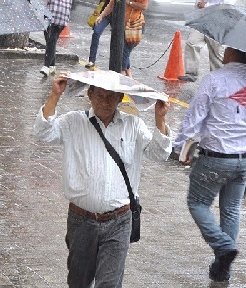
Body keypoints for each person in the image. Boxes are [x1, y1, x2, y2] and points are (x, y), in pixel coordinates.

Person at [34, 73, 172, 288]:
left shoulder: (133, 125)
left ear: (120, 99)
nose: (105, 101)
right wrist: (54, 95)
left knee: (109, 283)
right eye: (100, 95)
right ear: (90, 94)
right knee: (78, 282)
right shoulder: (73, 122)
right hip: (81, 220)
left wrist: (160, 120)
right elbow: (43, 132)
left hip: (120, 220)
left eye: (112, 96)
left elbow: (159, 153)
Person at [174, 47, 246, 282]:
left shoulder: (214, 79)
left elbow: (195, 115)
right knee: (231, 210)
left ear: (234, 51)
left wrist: (181, 146)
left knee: (197, 203)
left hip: (216, 157)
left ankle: (222, 246)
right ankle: (223, 269)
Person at [178, 0, 237, 82]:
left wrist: (207, 5)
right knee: (192, 42)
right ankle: (191, 73)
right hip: (202, 22)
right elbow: (197, 2)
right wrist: (199, 4)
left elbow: (226, 7)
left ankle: (217, 78)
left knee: (215, 51)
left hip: (217, 24)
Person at [95, 0, 147, 78]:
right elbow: (111, 6)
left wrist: (130, 2)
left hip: (135, 26)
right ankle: (128, 73)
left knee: (125, 50)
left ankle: (122, 73)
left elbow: (144, 6)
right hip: (122, 26)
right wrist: (101, 16)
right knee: (123, 50)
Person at [38, 0, 69, 77]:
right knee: (48, 38)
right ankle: (52, 65)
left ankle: (46, 66)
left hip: (58, 11)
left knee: (52, 38)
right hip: (45, 10)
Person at [85, 0, 116, 70]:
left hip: (116, 14)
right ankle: (91, 60)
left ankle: (116, 64)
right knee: (96, 32)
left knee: (116, 38)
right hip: (104, 13)